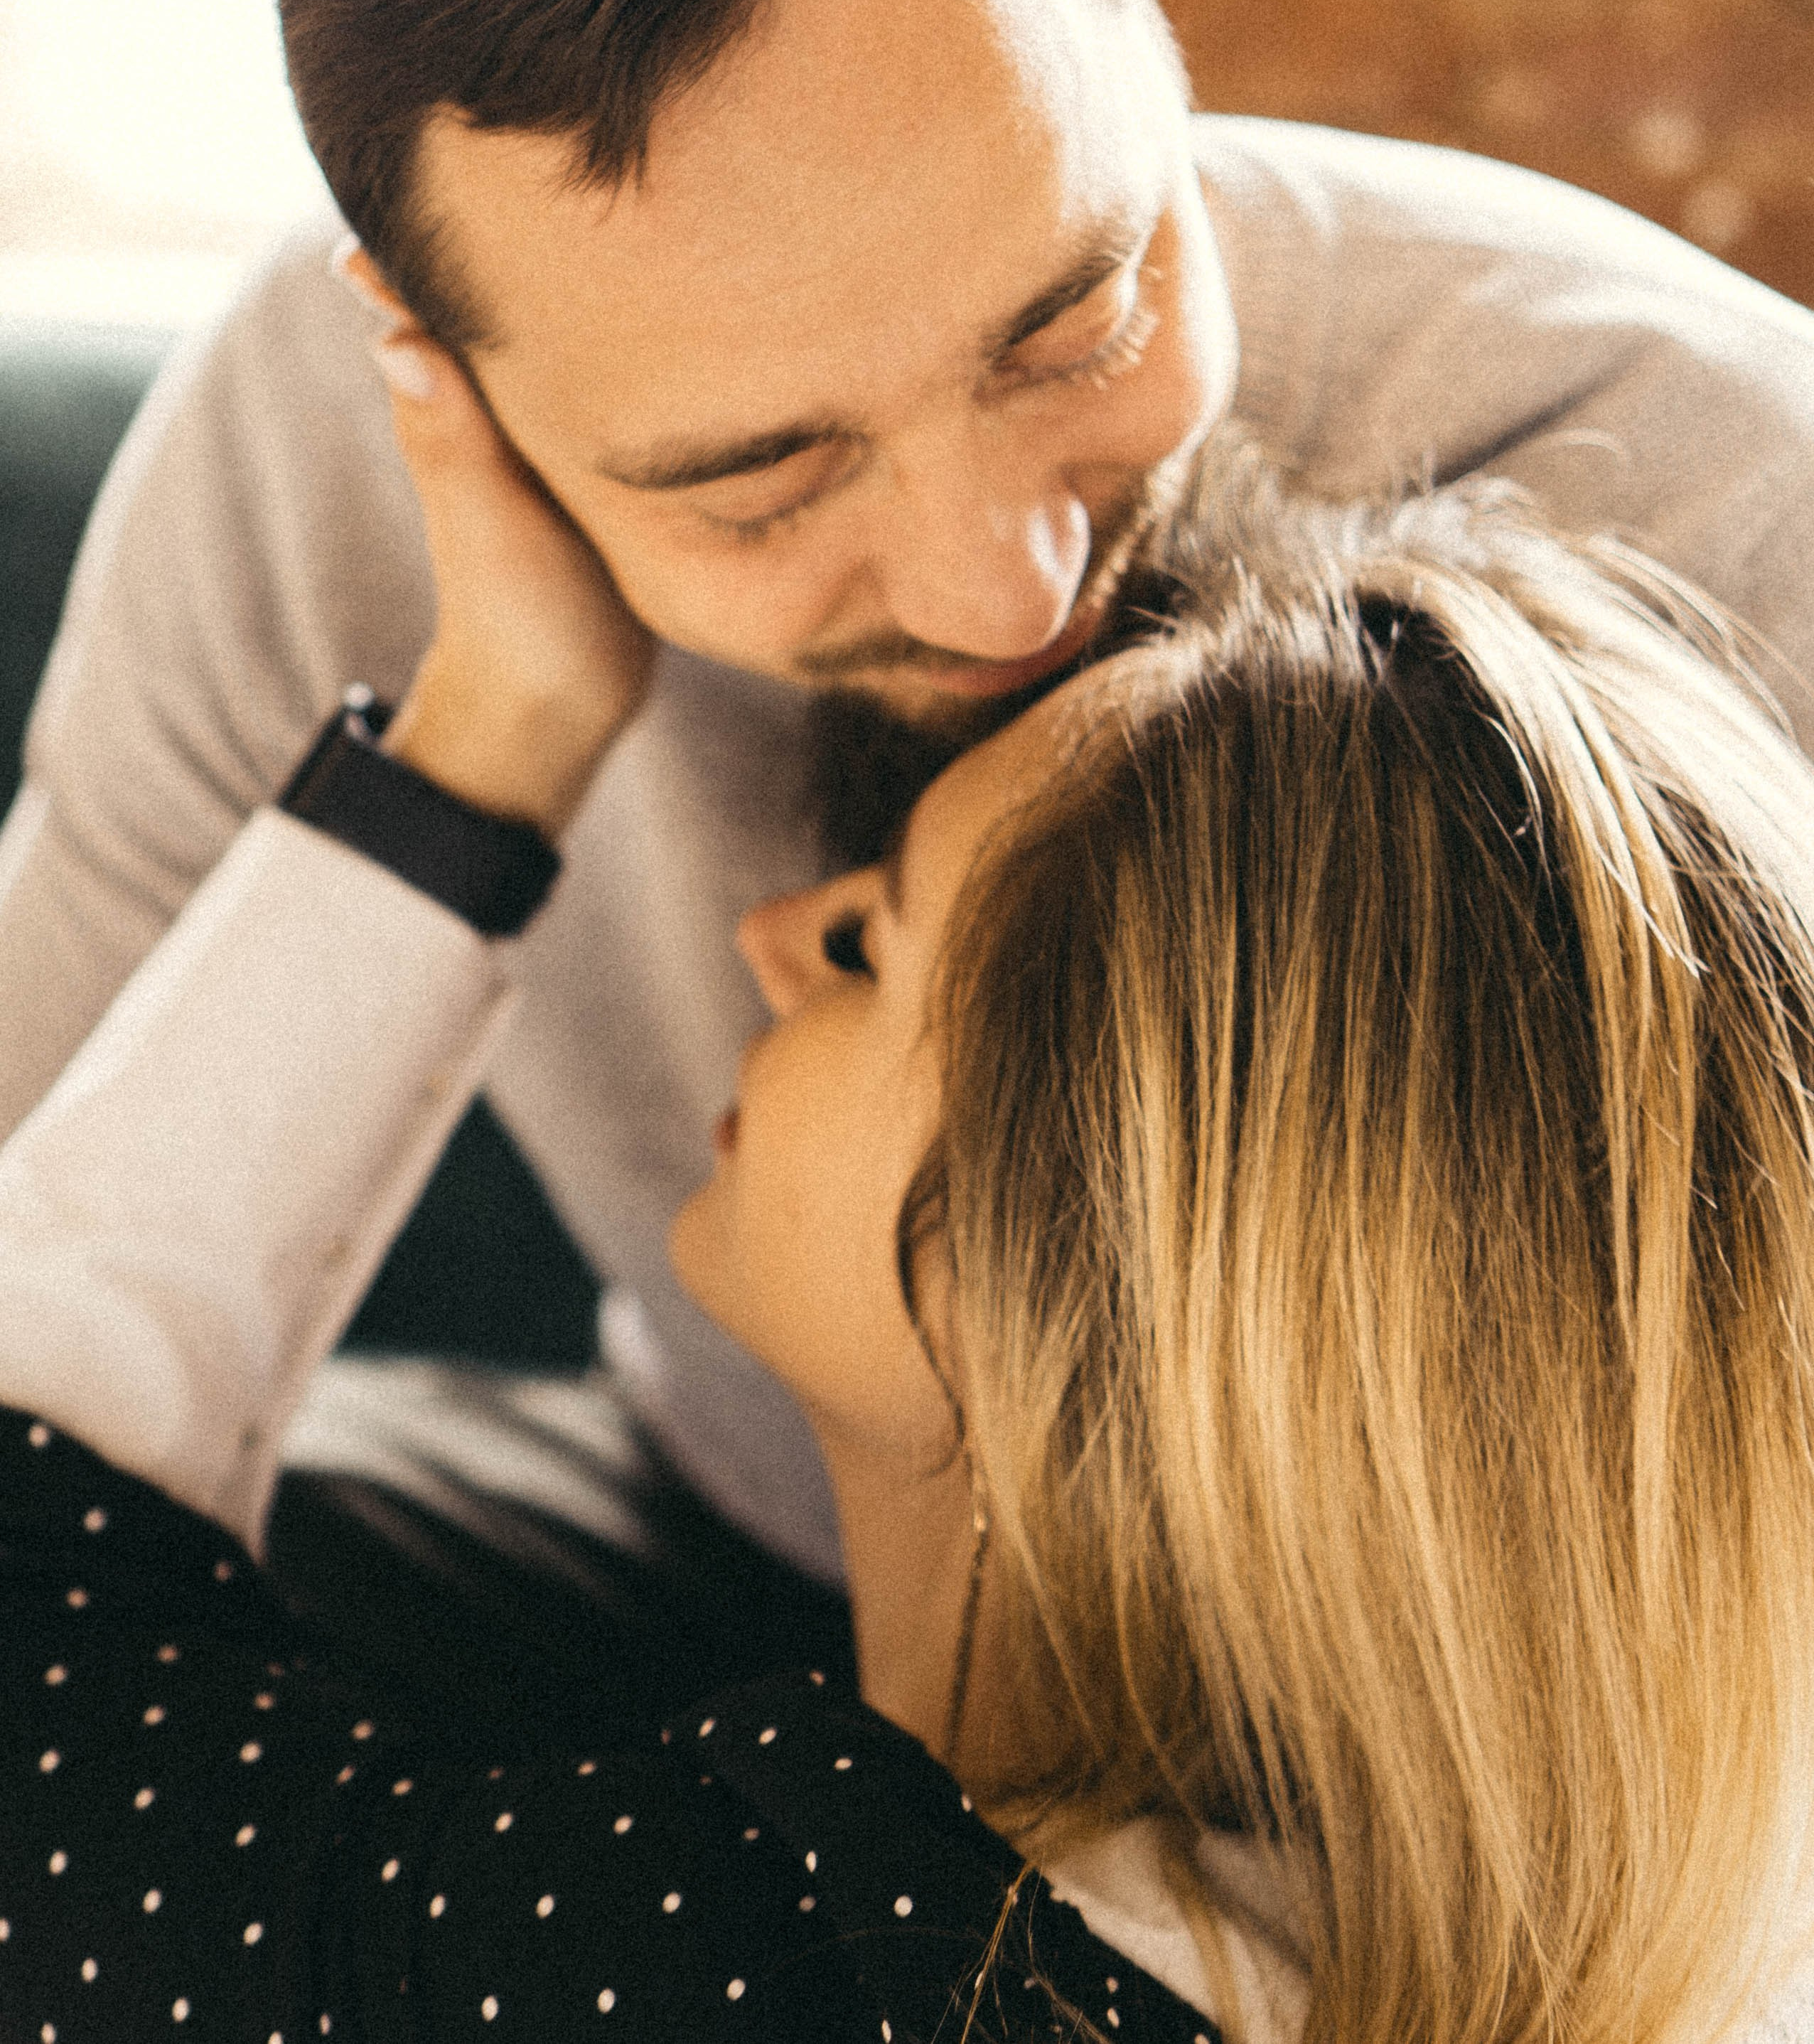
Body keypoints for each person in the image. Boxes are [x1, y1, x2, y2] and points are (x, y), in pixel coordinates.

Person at [3, 0, 1813, 1681]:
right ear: (440, 361)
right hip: (733, 1539)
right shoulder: (307, 470)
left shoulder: (1721, 485)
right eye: (761, 477)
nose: (1006, 577)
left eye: (1073, 320)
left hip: (1495, 1722)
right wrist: (483, 736)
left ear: (1149, 29)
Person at [1, 471, 1813, 2044]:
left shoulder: (804, 1973)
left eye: (878, 949)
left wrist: (495, 739)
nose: (772, 934)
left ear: (1071, 1281)